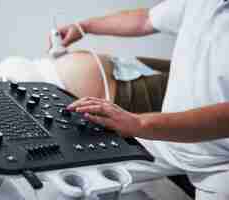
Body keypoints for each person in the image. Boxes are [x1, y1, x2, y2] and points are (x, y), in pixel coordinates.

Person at [56, 1, 229, 199]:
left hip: (222, 162)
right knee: (68, 186)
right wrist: (84, 27)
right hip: (168, 140)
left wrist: (139, 123)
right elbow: (146, 19)